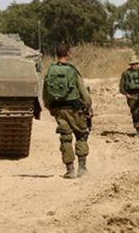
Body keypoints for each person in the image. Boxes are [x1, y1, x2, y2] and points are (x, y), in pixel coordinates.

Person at [42, 43, 92, 179]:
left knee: (65, 139)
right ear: (68, 54)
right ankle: (81, 168)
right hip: (75, 110)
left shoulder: (50, 71)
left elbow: (45, 95)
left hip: (59, 110)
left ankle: (70, 170)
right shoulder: (72, 71)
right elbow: (84, 94)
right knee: (81, 135)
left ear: (56, 54)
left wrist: (51, 109)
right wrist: (88, 107)